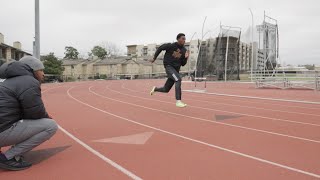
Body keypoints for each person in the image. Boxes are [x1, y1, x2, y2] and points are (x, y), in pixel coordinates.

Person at [0, 56, 58, 171]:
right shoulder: (28, 81)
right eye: (41, 70)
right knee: (50, 126)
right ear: (32, 70)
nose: (43, 74)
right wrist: (46, 117)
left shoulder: (7, 80)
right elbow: (34, 111)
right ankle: (8, 157)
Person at [150, 33, 189, 107]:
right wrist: (154, 58)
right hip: (169, 67)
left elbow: (183, 64)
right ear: (178, 39)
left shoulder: (184, 50)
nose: (184, 40)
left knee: (166, 89)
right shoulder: (171, 46)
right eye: (183, 38)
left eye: (185, 39)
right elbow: (160, 48)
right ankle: (178, 101)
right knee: (178, 79)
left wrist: (186, 57)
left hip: (175, 71)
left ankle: (155, 89)